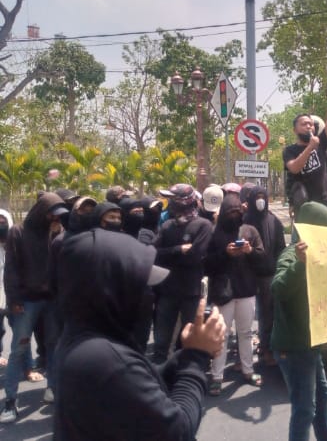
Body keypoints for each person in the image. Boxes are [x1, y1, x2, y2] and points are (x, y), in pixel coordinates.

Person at [53, 227, 226, 440]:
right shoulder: (102, 358)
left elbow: (135, 382)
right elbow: (178, 431)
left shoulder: (84, 336)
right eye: (140, 286)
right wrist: (196, 358)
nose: (149, 294)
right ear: (110, 290)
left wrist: (186, 353)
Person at [272, 201, 327, 441]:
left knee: (321, 401)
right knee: (304, 410)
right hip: (293, 347)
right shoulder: (292, 255)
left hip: (310, 343)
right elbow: (278, 288)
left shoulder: (319, 254)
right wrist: (300, 265)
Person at [1, 192, 68, 423]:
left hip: (51, 300)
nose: (55, 219)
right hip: (26, 301)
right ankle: (10, 401)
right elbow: (11, 269)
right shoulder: (18, 232)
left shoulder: (56, 232)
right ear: (42, 211)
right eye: (52, 214)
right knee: (19, 349)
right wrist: (14, 300)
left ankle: (52, 389)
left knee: (53, 345)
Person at [205, 193, 265, 395]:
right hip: (223, 293)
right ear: (223, 213)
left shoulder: (250, 230)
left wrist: (249, 251)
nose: (234, 215)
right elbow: (206, 264)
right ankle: (217, 376)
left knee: (246, 333)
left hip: (246, 291)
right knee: (221, 334)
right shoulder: (214, 232)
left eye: (237, 212)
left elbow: (262, 257)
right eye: (230, 212)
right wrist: (225, 254)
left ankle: (248, 371)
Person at [152, 184, 213, 363]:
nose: (169, 203)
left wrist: (169, 255)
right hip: (167, 291)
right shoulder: (168, 225)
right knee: (161, 341)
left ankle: (185, 374)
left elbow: (195, 256)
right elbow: (153, 253)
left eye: (173, 199)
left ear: (185, 201)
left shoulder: (203, 225)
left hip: (191, 292)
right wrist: (178, 250)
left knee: (189, 340)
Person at [243, 185, 287, 367]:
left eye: (263, 196)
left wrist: (278, 268)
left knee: (267, 313)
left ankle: (267, 347)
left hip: (268, 274)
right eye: (257, 197)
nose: (260, 200)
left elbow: (281, 248)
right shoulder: (245, 220)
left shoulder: (274, 221)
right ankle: (244, 354)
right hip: (247, 274)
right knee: (246, 316)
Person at [283, 82, 327, 212]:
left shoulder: (321, 142)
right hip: (304, 205)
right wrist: (310, 147)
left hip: (326, 202)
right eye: (304, 124)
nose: (309, 126)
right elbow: (294, 168)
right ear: (295, 130)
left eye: (311, 124)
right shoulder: (289, 151)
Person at [0, 208, 13, 368]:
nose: (1, 225)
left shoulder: (15, 244)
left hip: (13, 294)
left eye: (3, 222)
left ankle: (24, 362)